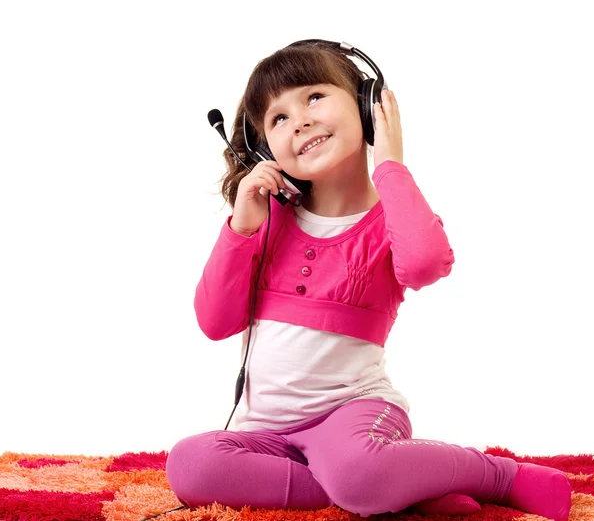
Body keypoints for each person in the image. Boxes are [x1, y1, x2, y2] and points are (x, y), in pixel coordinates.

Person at [166, 41, 571, 520]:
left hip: (352, 417)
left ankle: (497, 475)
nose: (298, 120)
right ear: (262, 148)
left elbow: (424, 264)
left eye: (314, 97)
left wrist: (390, 164)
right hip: (266, 436)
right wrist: (241, 227)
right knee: (189, 465)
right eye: (278, 118)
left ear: (367, 104)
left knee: (358, 470)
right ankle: (401, 489)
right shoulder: (266, 221)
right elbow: (215, 322)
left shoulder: (391, 219)